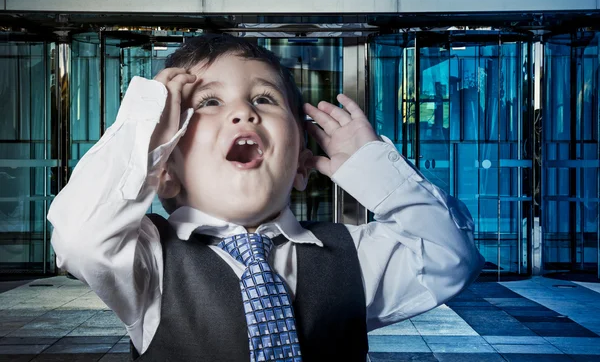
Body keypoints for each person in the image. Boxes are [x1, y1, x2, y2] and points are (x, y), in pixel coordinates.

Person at [48, 34, 484, 361]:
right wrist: (143, 134)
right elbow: (79, 239)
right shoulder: (148, 262)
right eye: (210, 102)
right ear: (165, 174)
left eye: (263, 98)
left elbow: (450, 254)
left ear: (299, 164)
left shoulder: (352, 255)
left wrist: (370, 165)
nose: (244, 112)